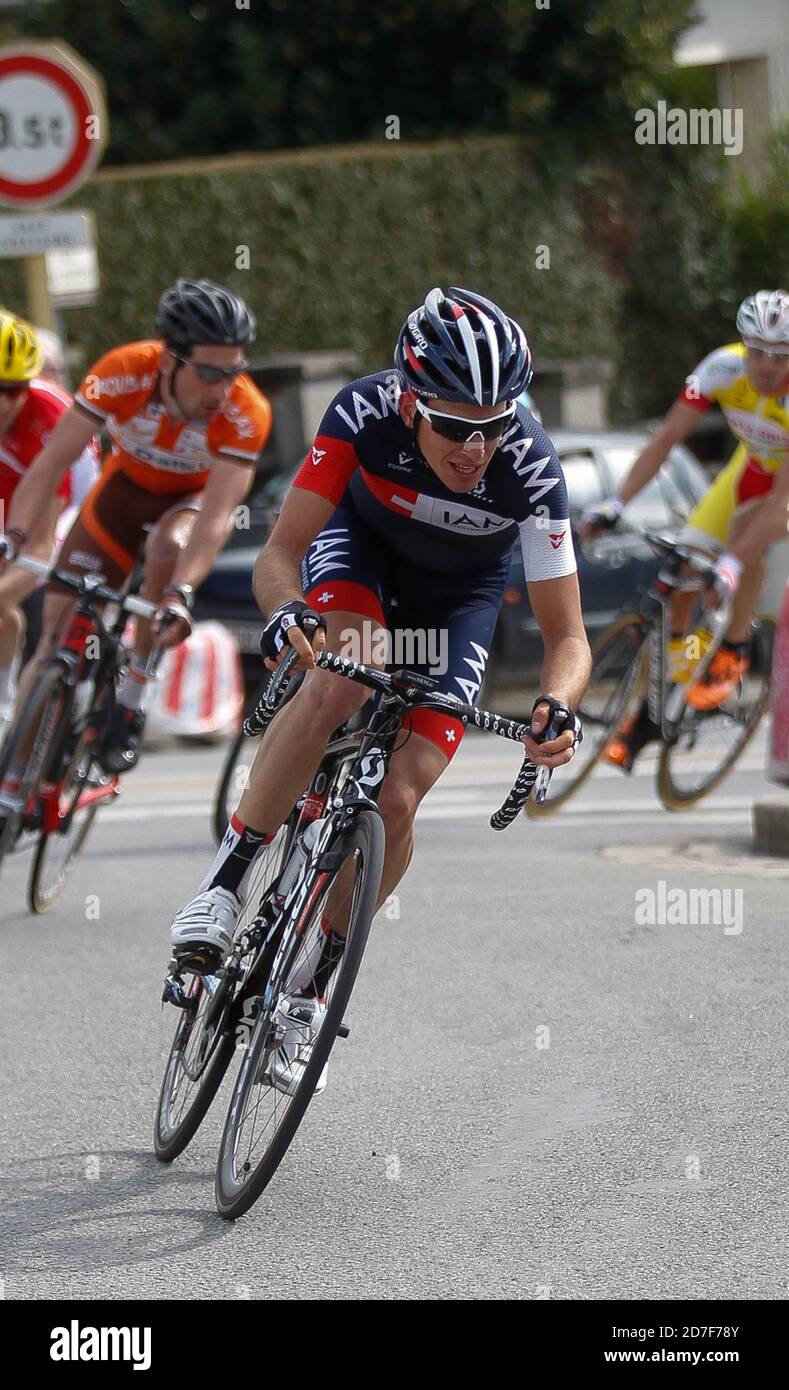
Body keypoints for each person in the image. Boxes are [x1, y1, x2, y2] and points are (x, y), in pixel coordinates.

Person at [168, 285, 591, 1096]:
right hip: (357, 557)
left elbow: (567, 637)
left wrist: (558, 706)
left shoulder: (533, 470)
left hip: (455, 604)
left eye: (495, 425)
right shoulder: (360, 413)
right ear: (408, 403)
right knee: (339, 680)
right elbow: (279, 553)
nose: (477, 448)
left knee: (397, 798)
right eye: (456, 427)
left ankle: (308, 991)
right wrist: (286, 613)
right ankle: (225, 885)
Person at [0, 278, 272, 782]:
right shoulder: (123, 372)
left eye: (234, 372)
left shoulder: (246, 413)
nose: (222, 389)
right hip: (121, 492)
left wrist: (180, 593)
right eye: (210, 373)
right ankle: (13, 772)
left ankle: (133, 694)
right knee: (57, 633)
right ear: (168, 361)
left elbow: (215, 518)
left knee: (169, 547)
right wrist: (14, 536)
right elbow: (50, 463)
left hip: (185, 504)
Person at [581, 289, 789, 769]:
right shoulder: (721, 369)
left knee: (743, 534)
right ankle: (661, 705)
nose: (766, 367)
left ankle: (734, 648)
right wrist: (615, 503)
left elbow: (778, 500)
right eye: (757, 351)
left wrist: (734, 562)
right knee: (683, 573)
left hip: (783, 489)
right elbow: (665, 441)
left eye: (780, 357)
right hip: (751, 469)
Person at [0, 312, 98, 739]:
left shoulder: (48, 416)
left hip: (69, 509)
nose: (5, 404)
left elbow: (39, 547)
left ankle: (10, 717)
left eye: (14, 389)